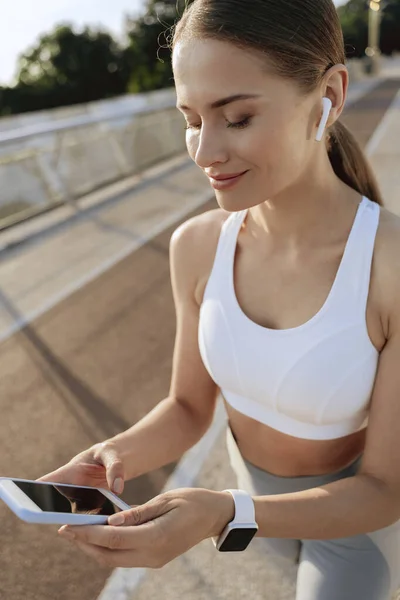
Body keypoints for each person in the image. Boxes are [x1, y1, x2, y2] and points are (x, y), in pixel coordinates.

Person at [39, 0, 400, 597]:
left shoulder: (389, 264)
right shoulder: (196, 246)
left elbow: (385, 489)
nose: (204, 153)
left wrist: (224, 513)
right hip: (250, 503)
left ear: (329, 96)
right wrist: (114, 454)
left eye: (235, 118)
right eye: (191, 118)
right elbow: (188, 406)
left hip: (352, 527)